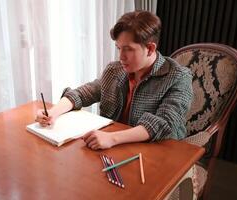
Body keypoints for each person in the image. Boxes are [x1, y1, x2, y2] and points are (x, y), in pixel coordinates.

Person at [35, 11, 193, 150]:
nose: (121, 57)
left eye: (128, 49)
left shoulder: (179, 78)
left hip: (157, 152)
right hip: (113, 148)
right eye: (119, 48)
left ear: (150, 48)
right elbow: (82, 94)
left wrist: (112, 138)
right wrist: (53, 113)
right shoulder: (115, 70)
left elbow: (163, 123)